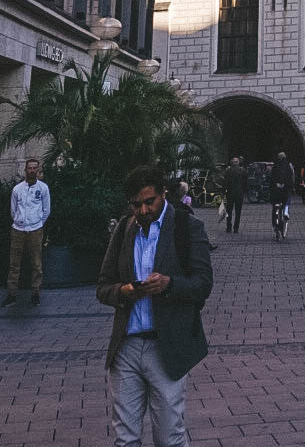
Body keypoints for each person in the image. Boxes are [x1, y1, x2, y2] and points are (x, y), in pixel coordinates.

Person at [97, 164, 213, 447]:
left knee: (169, 437)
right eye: (136, 205)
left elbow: (203, 284)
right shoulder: (125, 228)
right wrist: (123, 291)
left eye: (150, 202)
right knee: (125, 438)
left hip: (167, 346)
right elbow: (103, 286)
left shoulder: (187, 226)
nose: (144, 210)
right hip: (126, 347)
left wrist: (169, 285)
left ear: (163, 194)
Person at [1, 156, 50, 308]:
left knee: (36, 264)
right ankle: (11, 294)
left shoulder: (43, 188)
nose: (32, 170)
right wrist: (19, 220)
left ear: (38, 170)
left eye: (35, 168)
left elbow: (46, 209)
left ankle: (35, 293)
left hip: (35, 230)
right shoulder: (17, 189)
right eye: (30, 168)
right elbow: (13, 209)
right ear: (25, 170)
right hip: (18, 230)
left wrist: (38, 223)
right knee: (14, 264)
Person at [269, 153, 295, 240]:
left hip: (276, 193)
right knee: (285, 205)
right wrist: (290, 187)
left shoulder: (275, 166)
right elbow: (291, 178)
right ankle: (284, 217)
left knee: (275, 210)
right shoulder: (287, 166)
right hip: (284, 192)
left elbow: (271, 180)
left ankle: (276, 227)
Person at [223, 156, 247, 235]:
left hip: (230, 194)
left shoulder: (228, 171)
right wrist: (244, 192)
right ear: (238, 163)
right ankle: (236, 228)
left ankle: (228, 227)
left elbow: (225, 183)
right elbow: (245, 183)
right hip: (239, 194)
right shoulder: (243, 171)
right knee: (238, 212)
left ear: (232, 163)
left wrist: (224, 192)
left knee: (229, 211)